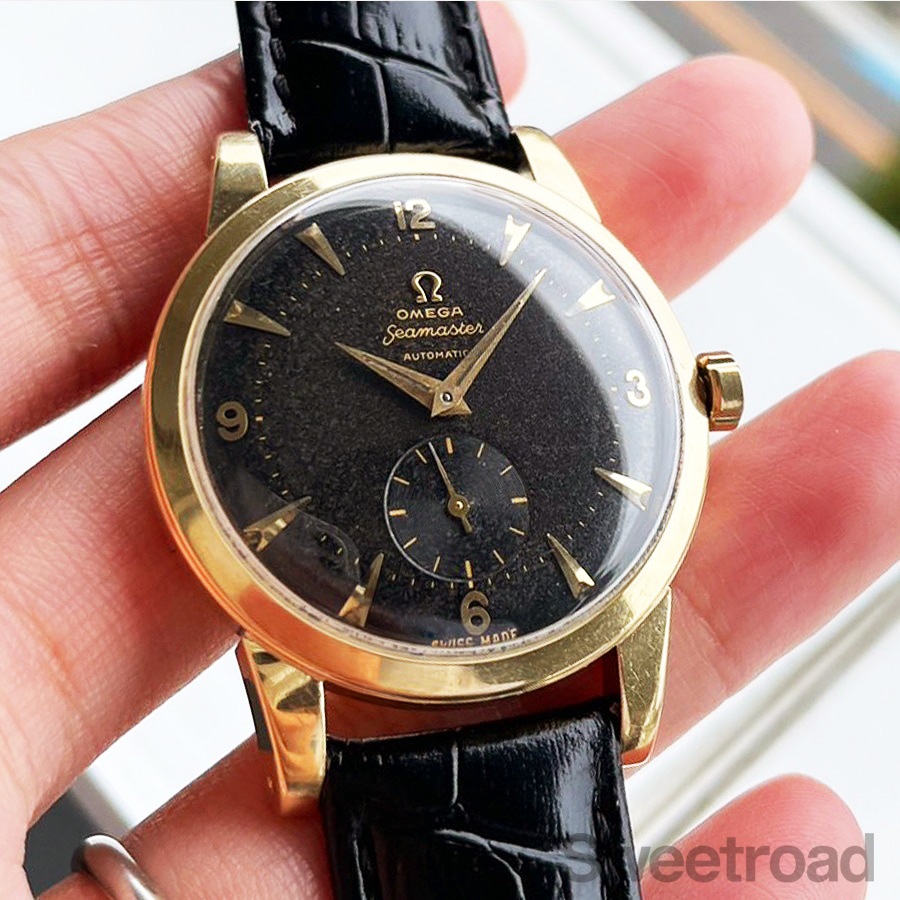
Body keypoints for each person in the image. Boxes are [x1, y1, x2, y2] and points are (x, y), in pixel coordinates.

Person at [0, 9, 896, 899]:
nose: (447, 399)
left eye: (451, 390)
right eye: (442, 395)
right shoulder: (277, 192)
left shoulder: (538, 196)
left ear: (701, 390)